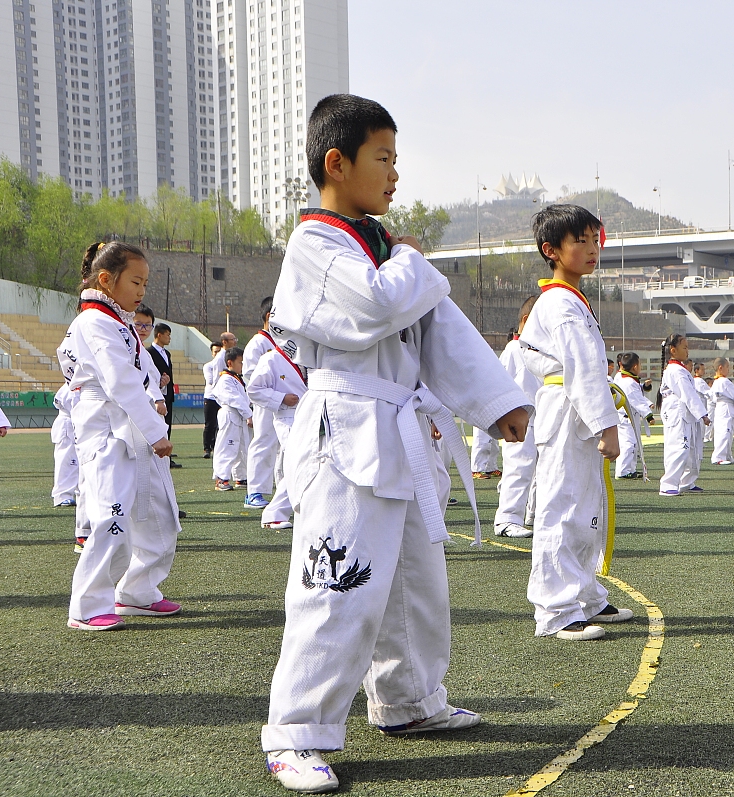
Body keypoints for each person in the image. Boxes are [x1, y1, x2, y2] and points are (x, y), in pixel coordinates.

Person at [260, 94, 532, 793]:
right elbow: (379, 306)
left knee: (417, 582)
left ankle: (409, 701)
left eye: (395, 160)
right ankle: (296, 732)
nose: (394, 175)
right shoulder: (316, 242)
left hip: (400, 431)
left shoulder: (382, 247)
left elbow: (439, 328)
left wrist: (497, 402)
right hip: (344, 429)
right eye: (383, 159)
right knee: (336, 584)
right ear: (336, 162)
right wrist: (413, 260)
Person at [520, 204, 629, 643]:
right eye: (578, 241)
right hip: (568, 411)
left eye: (593, 239)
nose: (591, 249)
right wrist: (607, 425)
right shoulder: (560, 302)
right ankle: (555, 610)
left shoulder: (571, 301)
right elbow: (582, 367)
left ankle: (585, 595)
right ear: (551, 250)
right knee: (562, 509)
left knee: (585, 510)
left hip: (571, 407)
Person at [59, 241, 180, 632]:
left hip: (134, 428)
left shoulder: (120, 322)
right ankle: (88, 604)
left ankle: (138, 591)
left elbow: (142, 371)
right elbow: (120, 382)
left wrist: (155, 401)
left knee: (160, 513)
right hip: (107, 430)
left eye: (145, 283)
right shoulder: (92, 322)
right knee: (113, 516)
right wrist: (157, 431)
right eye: (136, 281)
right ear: (107, 280)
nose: (141, 291)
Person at [494, 297, 542, 537]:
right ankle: (507, 519)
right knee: (519, 467)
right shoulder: (514, 349)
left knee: (540, 470)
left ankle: (533, 513)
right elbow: (499, 383)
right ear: (526, 321)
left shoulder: (536, 350)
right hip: (519, 419)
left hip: (540, 418)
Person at [245, 342, 305, 531]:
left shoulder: (308, 355)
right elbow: (254, 390)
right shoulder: (271, 358)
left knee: (301, 463)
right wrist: (281, 398)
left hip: (308, 414)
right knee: (298, 462)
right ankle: (274, 513)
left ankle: (299, 507)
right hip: (287, 415)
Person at [658, 333, 710, 495]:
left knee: (690, 448)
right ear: (673, 350)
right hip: (677, 412)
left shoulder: (679, 369)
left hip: (684, 412)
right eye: (684, 347)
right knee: (679, 447)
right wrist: (702, 413)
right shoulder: (675, 371)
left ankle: (686, 481)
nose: (687, 351)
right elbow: (688, 394)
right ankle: (668, 484)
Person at [243, 297, 278, 508]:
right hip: (266, 400)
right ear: (269, 316)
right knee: (263, 442)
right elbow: (249, 374)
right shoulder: (258, 343)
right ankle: (255, 491)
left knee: (282, 446)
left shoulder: (281, 342)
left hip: (283, 401)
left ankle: (282, 489)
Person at [212, 346, 252, 492]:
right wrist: (249, 414)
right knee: (227, 447)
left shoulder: (237, 379)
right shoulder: (225, 380)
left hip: (239, 416)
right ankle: (221, 478)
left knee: (242, 448)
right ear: (230, 362)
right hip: (230, 415)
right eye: (241, 362)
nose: (243, 366)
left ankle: (240, 477)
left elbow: (245, 399)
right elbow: (235, 400)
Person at [612, 351, 653, 479]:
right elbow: (637, 400)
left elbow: (636, 393)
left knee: (634, 443)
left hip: (630, 416)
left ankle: (630, 469)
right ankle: (622, 471)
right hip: (625, 417)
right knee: (628, 444)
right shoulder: (627, 381)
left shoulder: (627, 379)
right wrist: (649, 415)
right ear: (635, 366)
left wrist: (644, 386)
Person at [147, 321, 181, 468]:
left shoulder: (167, 353)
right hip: (155, 395)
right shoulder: (149, 352)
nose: (169, 338)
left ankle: (166, 455)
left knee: (167, 424)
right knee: (158, 424)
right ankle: (156, 454)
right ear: (159, 335)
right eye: (167, 335)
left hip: (167, 395)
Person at [708, 357, 734, 465]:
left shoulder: (717, 382)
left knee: (728, 432)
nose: (729, 370)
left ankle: (727, 455)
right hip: (726, 408)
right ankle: (718, 457)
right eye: (727, 367)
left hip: (723, 407)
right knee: (724, 432)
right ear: (720, 368)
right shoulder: (724, 382)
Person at [202, 333, 235, 458]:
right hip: (214, 397)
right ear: (225, 342)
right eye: (233, 340)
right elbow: (214, 380)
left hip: (221, 395)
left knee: (221, 424)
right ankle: (207, 448)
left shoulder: (227, 356)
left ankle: (219, 447)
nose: (235, 341)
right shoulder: (220, 359)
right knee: (211, 424)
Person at [51, 383, 79, 507]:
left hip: (75, 423)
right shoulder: (73, 384)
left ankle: (79, 492)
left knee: (78, 462)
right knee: (67, 460)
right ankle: (62, 495)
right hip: (68, 424)